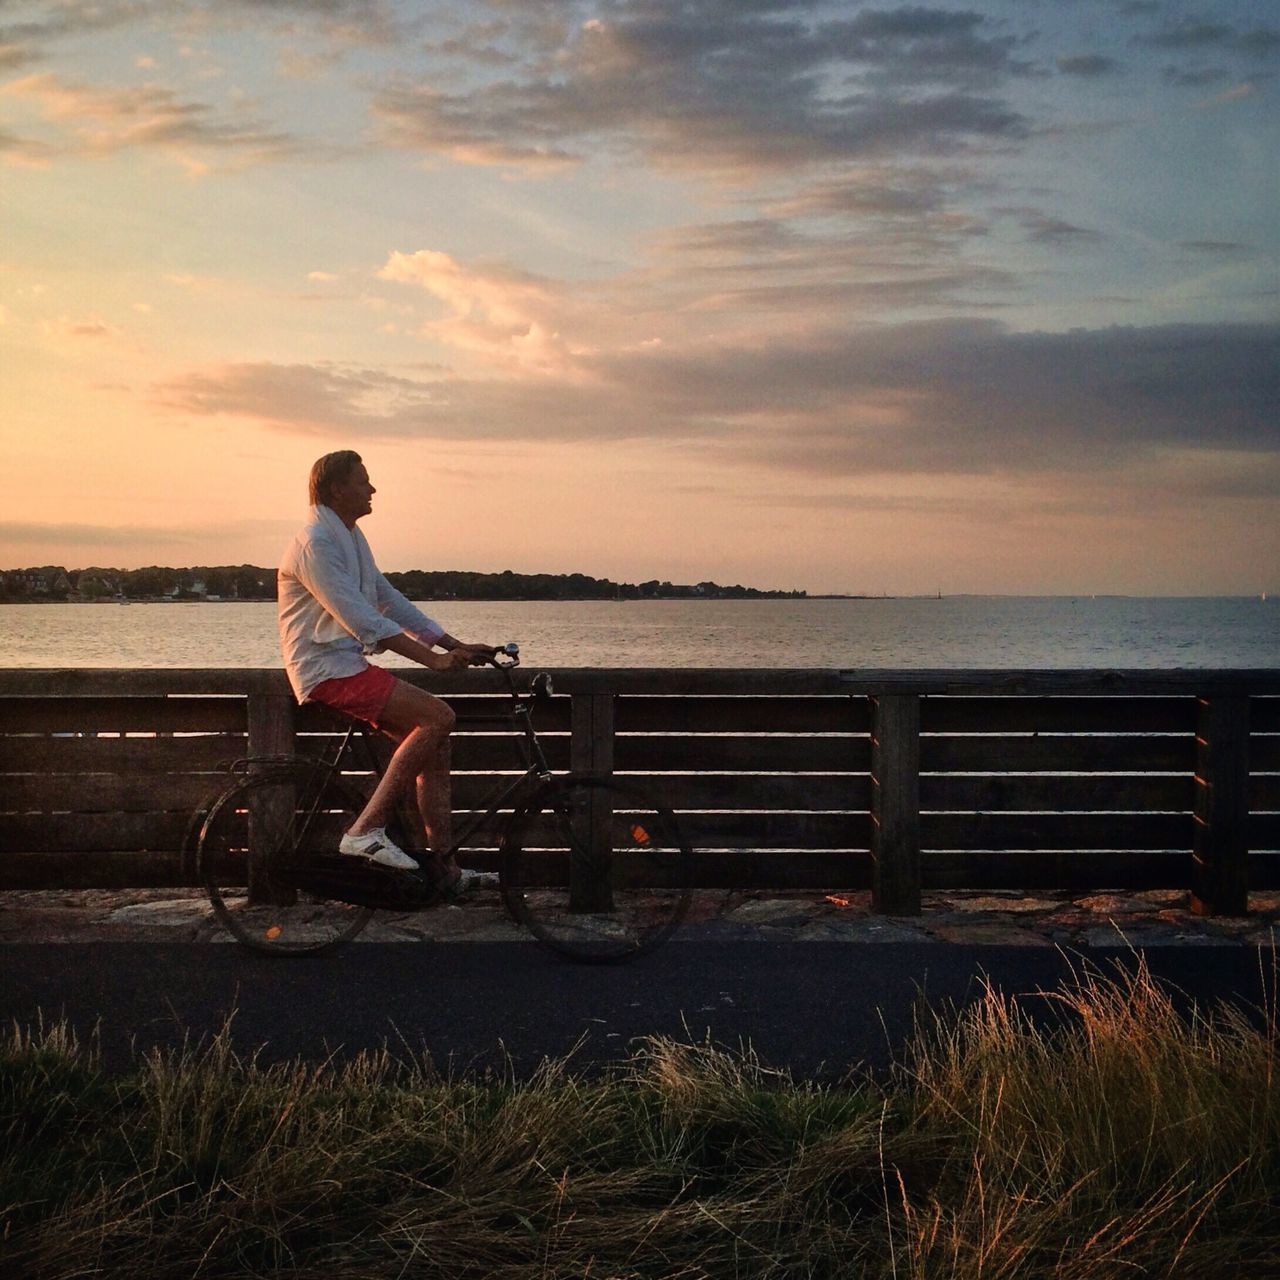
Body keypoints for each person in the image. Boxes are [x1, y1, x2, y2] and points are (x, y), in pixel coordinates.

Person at [277, 449, 496, 895]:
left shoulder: (350, 536)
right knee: (439, 717)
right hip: (324, 668)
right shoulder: (315, 541)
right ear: (337, 488)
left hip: (345, 662)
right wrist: (431, 660)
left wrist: (449, 643)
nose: (372, 489)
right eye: (364, 481)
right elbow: (362, 619)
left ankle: (445, 876)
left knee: (435, 749)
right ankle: (364, 831)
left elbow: (385, 597)